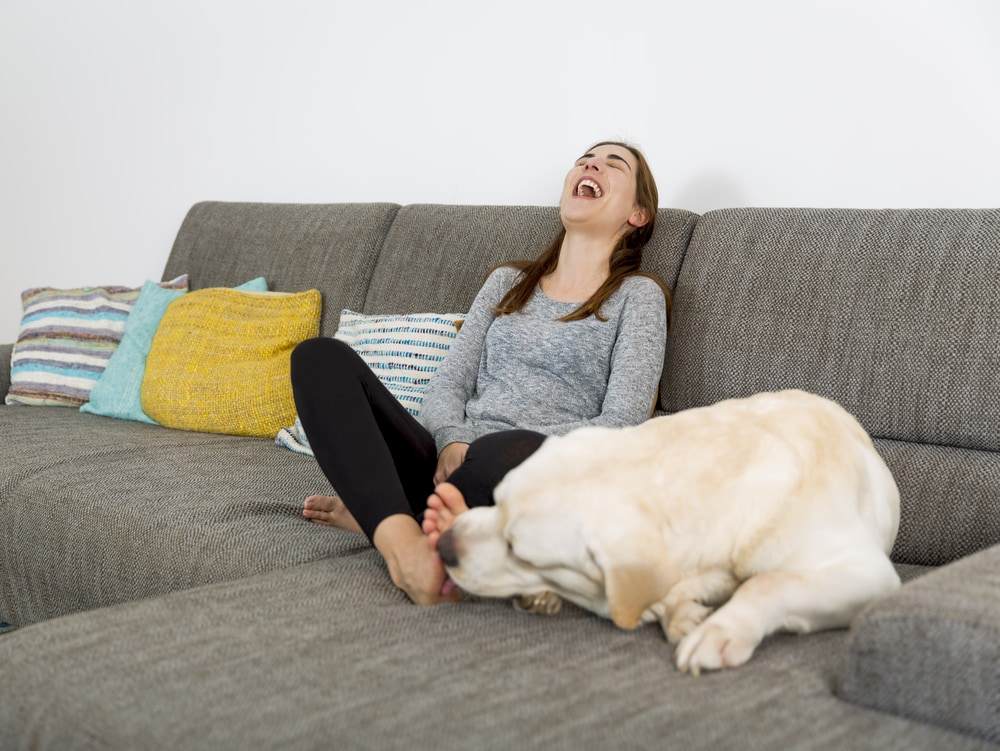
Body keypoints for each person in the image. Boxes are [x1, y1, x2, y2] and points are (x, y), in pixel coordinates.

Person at [290, 140, 671, 606]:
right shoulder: (508, 282)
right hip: (450, 460)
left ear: (638, 214)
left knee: (500, 448)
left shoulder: (638, 297)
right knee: (319, 358)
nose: (592, 164)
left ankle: (386, 512)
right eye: (586, 158)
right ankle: (405, 543)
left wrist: (493, 446)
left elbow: (624, 422)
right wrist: (452, 440)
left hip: (533, 467)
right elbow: (450, 383)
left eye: (614, 164)